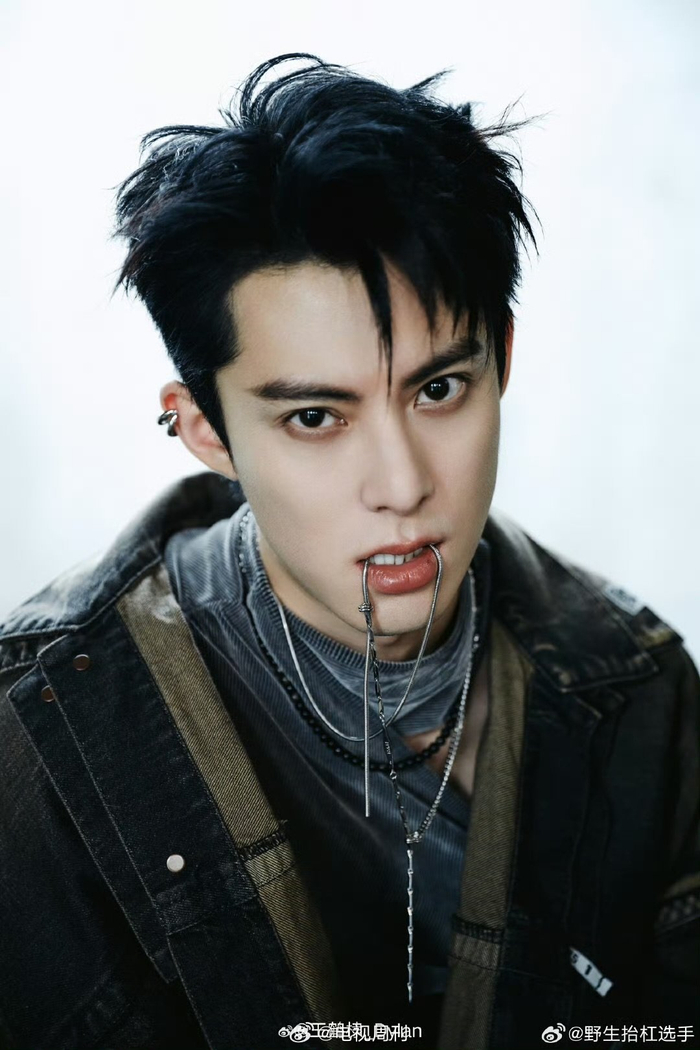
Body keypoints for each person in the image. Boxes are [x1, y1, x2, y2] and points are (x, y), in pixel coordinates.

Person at [0, 53, 698, 1050]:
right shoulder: (47, 731)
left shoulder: (639, 691)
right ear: (204, 429)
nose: (402, 484)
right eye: (317, 417)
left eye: (438, 390)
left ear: (501, 360)